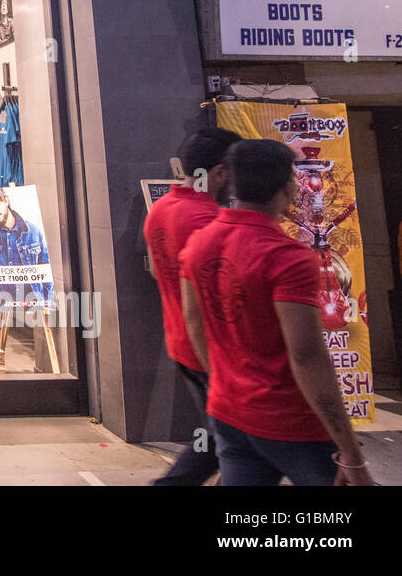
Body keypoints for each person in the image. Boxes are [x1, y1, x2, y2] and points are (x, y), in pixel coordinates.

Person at [180, 139, 375, 486]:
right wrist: (351, 453)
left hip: (229, 412)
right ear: (288, 187)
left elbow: (194, 325)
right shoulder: (288, 257)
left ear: (231, 182)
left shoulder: (199, 243)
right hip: (292, 422)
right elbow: (308, 357)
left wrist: (226, 385)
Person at [143, 126, 240, 485]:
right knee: (226, 439)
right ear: (218, 173)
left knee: (225, 437)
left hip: (182, 343)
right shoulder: (208, 221)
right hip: (210, 350)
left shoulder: (161, 208)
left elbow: (156, 270)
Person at [0, 186, 53, 310]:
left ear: (6, 200)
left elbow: (46, 274)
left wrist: (49, 303)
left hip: (30, 302)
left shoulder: (32, 232)